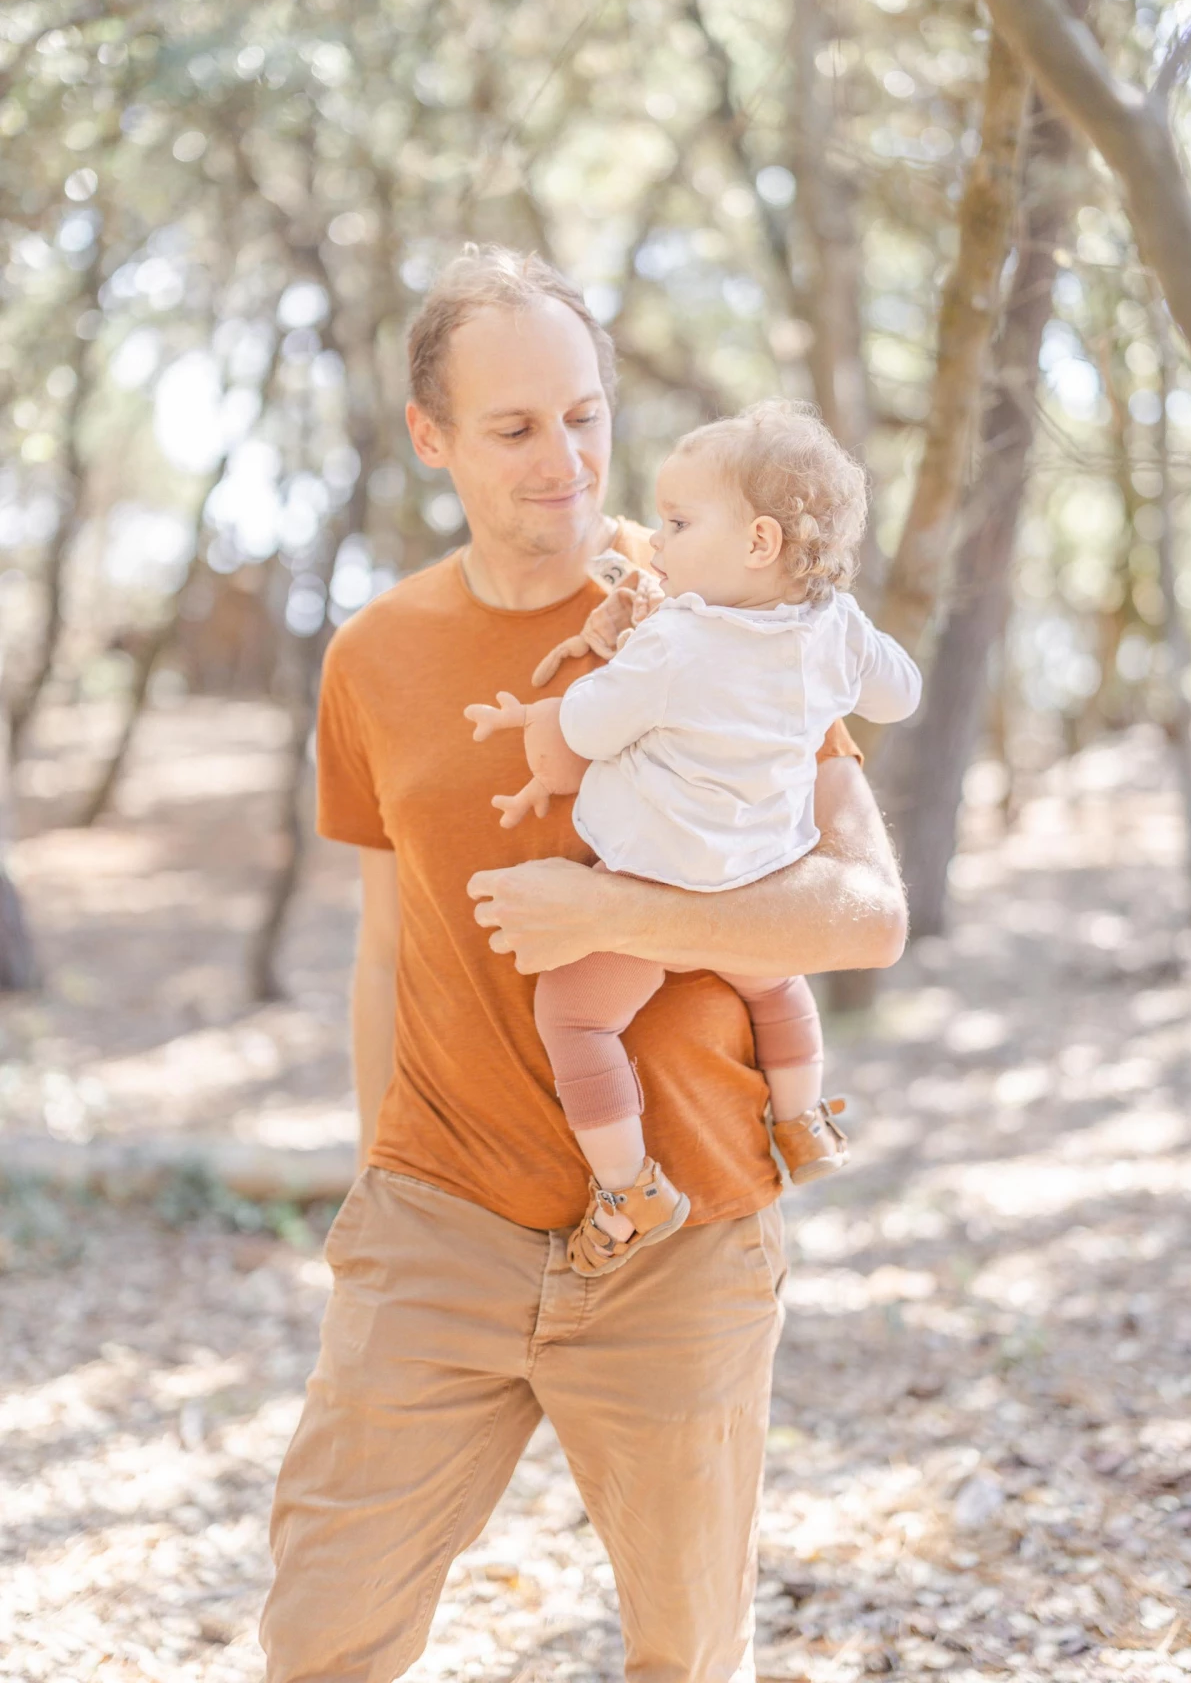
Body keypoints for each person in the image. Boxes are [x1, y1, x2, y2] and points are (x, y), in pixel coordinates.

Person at [259, 245, 909, 1683]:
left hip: (686, 1238)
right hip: (439, 1222)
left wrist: (609, 923)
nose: (565, 459)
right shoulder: (374, 656)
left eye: (585, 413)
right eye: (514, 427)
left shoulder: (729, 611)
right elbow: (388, 941)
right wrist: (380, 1179)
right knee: (320, 1644)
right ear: (430, 438)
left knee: (687, 1658)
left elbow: (863, 913)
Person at [466, 400, 921, 1278]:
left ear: (756, 543)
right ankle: (802, 1119)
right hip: (754, 881)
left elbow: (592, 730)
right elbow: (900, 694)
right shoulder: (835, 628)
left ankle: (630, 1185)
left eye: (676, 523)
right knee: (778, 986)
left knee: (575, 1018)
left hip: (651, 881)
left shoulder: (677, 639)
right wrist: (846, 631)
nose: (659, 543)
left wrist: (612, 658)